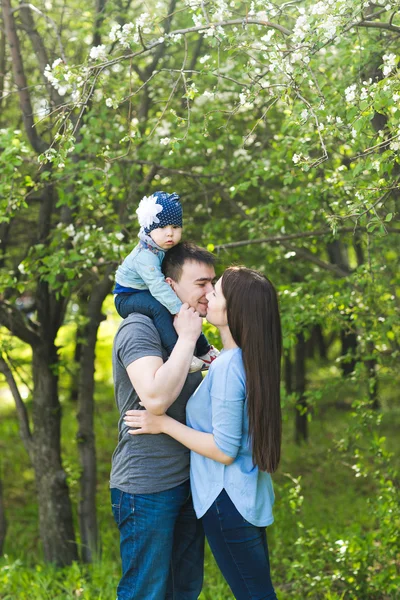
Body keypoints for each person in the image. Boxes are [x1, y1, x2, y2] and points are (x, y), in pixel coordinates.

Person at [124, 266, 282, 600]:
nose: (208, 295)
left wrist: (163, 423)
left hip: (227, 500)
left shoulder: (227, 367)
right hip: (246, 493)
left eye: (217, 292)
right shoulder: (245, 358)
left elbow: (224, 449)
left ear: (233, 309)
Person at [110, 241, 217, 600]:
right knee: (146, 592)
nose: (210, 293)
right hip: (147, 485)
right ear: (170, 286)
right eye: (201, 284)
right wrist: (187, 338)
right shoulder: (138, 328)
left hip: (190, 481)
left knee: (184, 589)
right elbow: (154, 399)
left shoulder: (190, 337)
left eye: (212, 283)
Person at [114, 191, 218, 371]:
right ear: (149, 229)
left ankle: (204, 351)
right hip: (127, 297)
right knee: (161, 308)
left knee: (185, 307)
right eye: (162, 228)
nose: (170, 233)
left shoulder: (161, 247)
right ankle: (176, 353)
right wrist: (178, 310)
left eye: (175, 227)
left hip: (145, 291)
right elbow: (158, 287)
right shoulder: (145, 256)